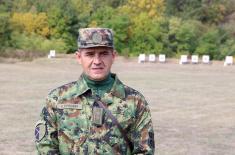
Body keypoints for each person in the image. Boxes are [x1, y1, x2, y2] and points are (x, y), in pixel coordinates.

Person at [35, 28, 155, 155]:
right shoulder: (57, 99)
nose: (97, 61)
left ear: (113, 56)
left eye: (103, 53)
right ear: (79, 57)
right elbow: (45, 148)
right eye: (90, 54)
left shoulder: (135, 101)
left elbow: (144, 151)